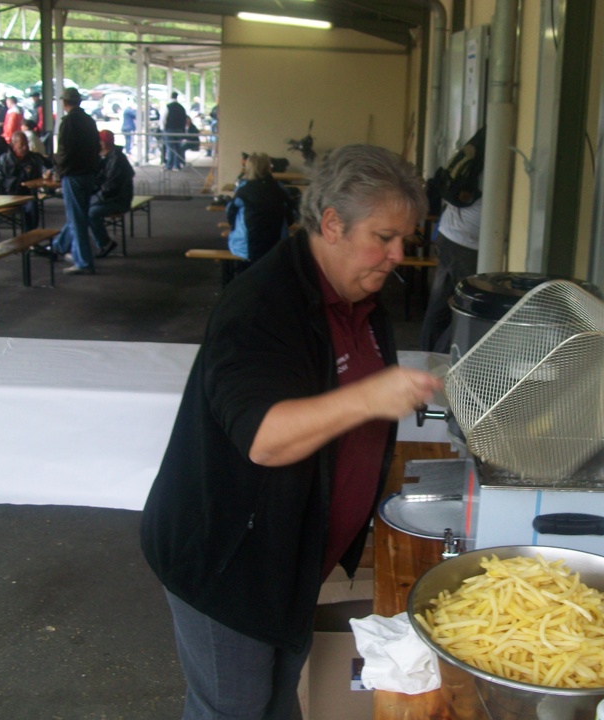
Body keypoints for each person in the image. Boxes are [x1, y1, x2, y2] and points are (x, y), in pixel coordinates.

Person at [140, 144, 440, 720]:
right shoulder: (261, 307)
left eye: (406, 239)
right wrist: (370, 397)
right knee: (233, 708)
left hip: (292, 555)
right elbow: (266, 438)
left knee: (277, 701)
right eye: (384, 237)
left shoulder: (359, 294)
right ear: (331, 224)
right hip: (228, 558)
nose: (398, 254)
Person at [419, 197, 483, 353]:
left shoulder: (472, 173)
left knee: (438, 306)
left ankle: (428, 356)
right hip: (468, 244)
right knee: (468, 309)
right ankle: (442, 357)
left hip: (448, 233)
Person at [50, 87, 101, 275]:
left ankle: (83, 261)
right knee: (79, 215)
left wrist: (58, 170)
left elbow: (64, 151)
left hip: (73, 175)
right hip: (89, 174)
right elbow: (96, 147)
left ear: (64, 103)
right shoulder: (89, 121)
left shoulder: (67, 123)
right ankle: (59, 246)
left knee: (76, 218)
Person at [225, 152, 297, 279]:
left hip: (245, 248)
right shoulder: (280, 190)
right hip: (276, 248)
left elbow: (230, 215)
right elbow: (291, 218)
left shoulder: (243, 190)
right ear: (269, 167)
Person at [0, 131, 47, 247]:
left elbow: (50, 165)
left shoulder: (34, 158)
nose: (25, 147)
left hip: (26, 195)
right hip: (5, 194)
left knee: (32, 205)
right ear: (13, 146)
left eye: (26, 144)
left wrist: (48, 173)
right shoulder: (4, 160)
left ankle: (30, 238)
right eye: (21, 145)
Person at [88, 129, 134, 259]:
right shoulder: (108, 157)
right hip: (113, 198)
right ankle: (100, 243)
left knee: (90, 213)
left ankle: (104, 243)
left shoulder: (115, 159)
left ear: (103, 143)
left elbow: (110, 187)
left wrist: (93, 199)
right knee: (85, 211)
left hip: (118, 200)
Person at [162, 91, 187, 171]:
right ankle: (177, 166)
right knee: (177, 147)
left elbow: (163, 119)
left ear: (171, 97)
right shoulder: (182, 108)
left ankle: (169, 166)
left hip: (169, 130)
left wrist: (163, 128)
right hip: (179, 130)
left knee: (170, 148)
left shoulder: (168, 107)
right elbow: (184, 120)